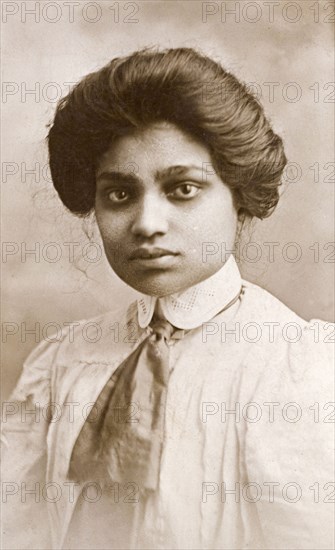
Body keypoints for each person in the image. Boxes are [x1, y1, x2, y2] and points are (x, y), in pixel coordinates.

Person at [2, 47, 334, 550]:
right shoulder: (63, 363)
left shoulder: (298, 368)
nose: (147, 224)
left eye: (182, 189)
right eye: (119, 194)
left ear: (238, 194)